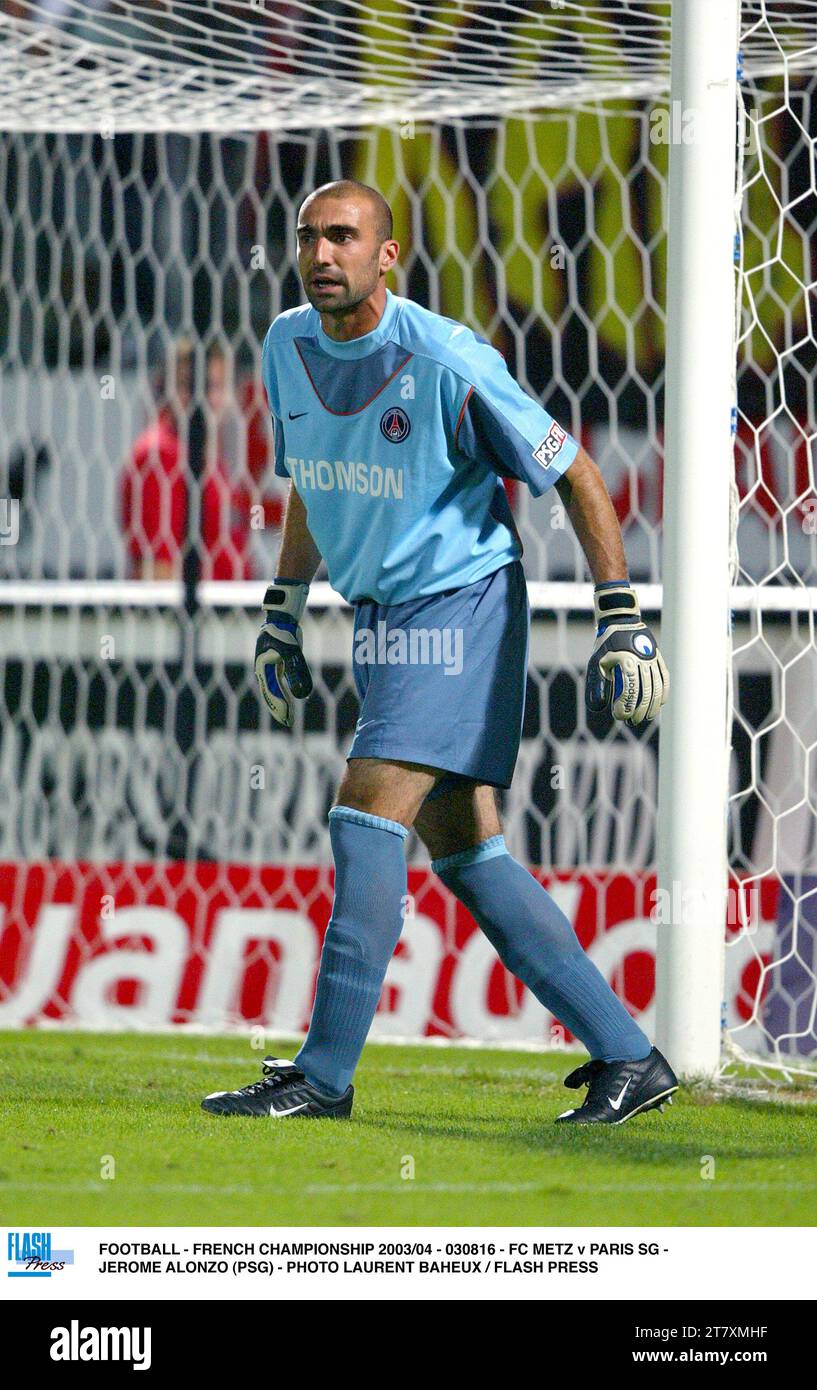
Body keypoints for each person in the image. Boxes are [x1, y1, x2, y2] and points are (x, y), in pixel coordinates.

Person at [201, 179, 677, 1126]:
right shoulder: (287, 346)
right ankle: (630, 1056)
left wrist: (618, 614)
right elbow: (310, 478)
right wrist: (281, 611)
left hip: (461, 607)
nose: (321, 254)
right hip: (380, 618)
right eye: (307, 237)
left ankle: (323, 1077)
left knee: (364, 811)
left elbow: (574, 471)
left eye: (344, 236)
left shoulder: (446, 358)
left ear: (387, 255)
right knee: (468, 852)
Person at [121, 339, 255, 581]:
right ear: (165, 389)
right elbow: (155, 570)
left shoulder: (207, 455)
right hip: (197, 615)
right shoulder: (159, 456)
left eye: (214, 386)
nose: (202, 398)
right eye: (187, 386)